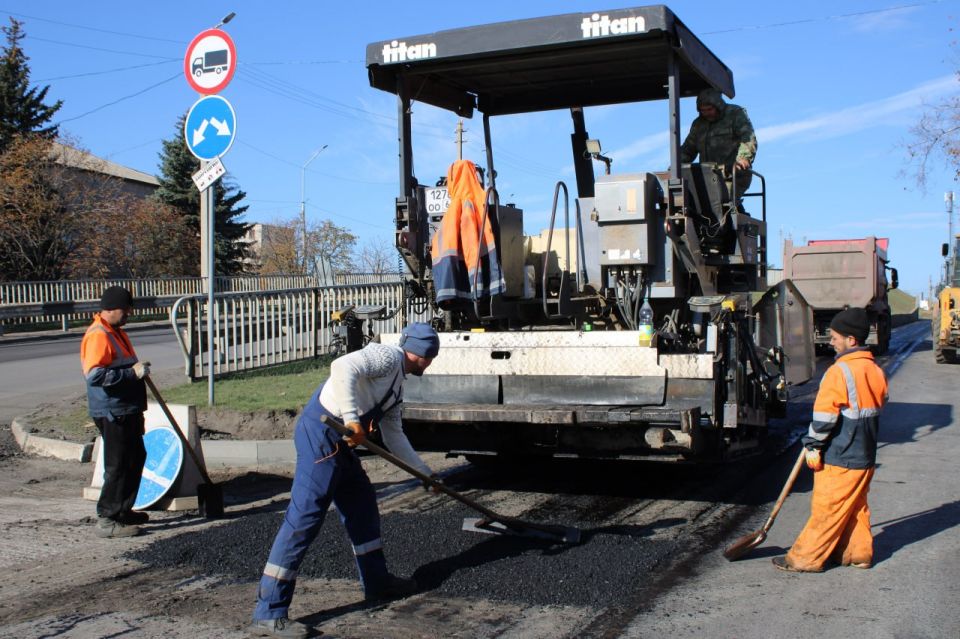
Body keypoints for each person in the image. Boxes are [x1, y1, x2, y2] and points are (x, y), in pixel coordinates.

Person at [251, 322, 441, 639]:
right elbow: (341, 366)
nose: (431, 362)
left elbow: (394, 436)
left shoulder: (397, 387)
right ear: (421, 353)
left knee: (362, 506)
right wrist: (353, 419)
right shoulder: (386, 357)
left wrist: (425, 472)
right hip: (323, 435)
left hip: (342, 443)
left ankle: (377, 582)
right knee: (305, 519)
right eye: (431, 356)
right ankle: (269, 612)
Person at [773, 307, 888, 573]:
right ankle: (857, 554)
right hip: (865, 454)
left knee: (828, 507)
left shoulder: (840, 372)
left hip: (841, 454)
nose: (831, 340)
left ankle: (804, 559)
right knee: (856, 506)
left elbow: (824, 418)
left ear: (851, 340)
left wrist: (812, 445)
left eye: (836, 337)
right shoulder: (874, 370)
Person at [81, 285, 150, 539]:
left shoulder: (116, 332)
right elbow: (95, 375)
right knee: (118, 464)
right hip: (112, 410)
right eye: (126, 309)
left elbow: (124, 363)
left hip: (126, 407)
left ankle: (123, 510)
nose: (129, 313)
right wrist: (131, 374)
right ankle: (108, 517)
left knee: (135, 458)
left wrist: (138, 369)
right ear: (112, 308)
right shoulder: (99, 334)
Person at [680, 87, 758, 197]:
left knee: (721, 200)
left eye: (709, 109)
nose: (707, 113)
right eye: (703, 110)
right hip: (707, 178)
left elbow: (748, 138)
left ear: (718, 106)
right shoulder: (698, 124)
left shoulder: (735, 114)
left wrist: (744, 158)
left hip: (732, 176)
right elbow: (688, 149)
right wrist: (675, 167)